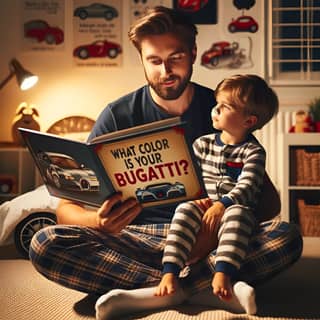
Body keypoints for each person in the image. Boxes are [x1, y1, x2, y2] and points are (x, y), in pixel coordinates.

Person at [29, 6, 303, 320]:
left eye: (175, 58)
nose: (165, 71)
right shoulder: (117, 115)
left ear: (193, 53)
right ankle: (199, 286)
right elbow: (66, 209)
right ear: (143, 60)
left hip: (208, 236)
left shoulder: (223, 109)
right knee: (45, 242)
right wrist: (100, 223)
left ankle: (152, 291)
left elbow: (269, 204)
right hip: (136, 237)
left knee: (286, 235)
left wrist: (218, 223)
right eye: (154, 61)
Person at [155, 74, 279, 307]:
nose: (216, 110)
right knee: (183, 209)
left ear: (249, 121)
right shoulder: (202, 144)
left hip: (234, 209)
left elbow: (248, 186)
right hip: (207, 206)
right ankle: (170, 272)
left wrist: (222, 205)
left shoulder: (253, 152)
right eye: (216, 104)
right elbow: (192, 180)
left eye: (225, 107)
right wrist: (200, 200)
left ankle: (223, 273)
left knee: (240, 216)